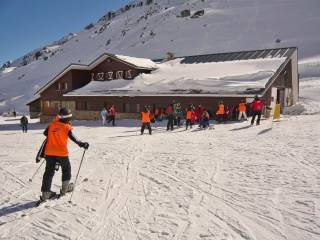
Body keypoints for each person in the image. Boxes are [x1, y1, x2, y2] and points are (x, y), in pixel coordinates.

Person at [40, 108, 89, 201]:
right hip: (61, 153)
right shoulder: (66, 127)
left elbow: (45, 133)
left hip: (49, 152)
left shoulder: (52, 125)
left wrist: (55, 124)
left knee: (48, 172)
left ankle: (45, 194)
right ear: (68, 118)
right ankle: (64, 190)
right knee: (66, 170)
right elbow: (74, 138)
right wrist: (82, 144)